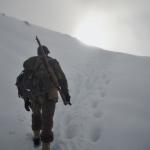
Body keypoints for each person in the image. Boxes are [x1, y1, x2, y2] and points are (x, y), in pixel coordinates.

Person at [16, 45, 71, 150]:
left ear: (38, 53)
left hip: (34, 96)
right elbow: (62, 78)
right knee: (47, 121)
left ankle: (36, 137)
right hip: (49, 96)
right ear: (47, 53)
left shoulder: (31, 63)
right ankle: (45, 147)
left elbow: (23, 82)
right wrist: (66, 93)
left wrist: (26, 99)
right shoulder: (53, 62)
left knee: (36, 115)